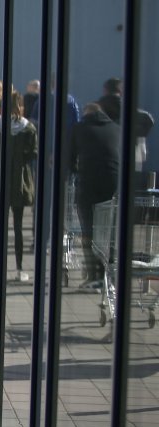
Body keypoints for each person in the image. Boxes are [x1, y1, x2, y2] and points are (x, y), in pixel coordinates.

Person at [0, 90, 38, 282]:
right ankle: (20, 269)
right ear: (21, 105)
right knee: (18, 226)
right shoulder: (28, 128)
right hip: (18, 181)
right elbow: (33, 154)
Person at [70, 102, 121, 288]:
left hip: (88, 185)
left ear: (86, 114)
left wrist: (75, 170)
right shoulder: (117, 128)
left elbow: (69, 159)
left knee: (88, 231)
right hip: (113, 185)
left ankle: (94, 275)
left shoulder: (79, 128)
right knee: (110, 231)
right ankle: (111, 273)